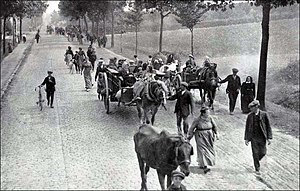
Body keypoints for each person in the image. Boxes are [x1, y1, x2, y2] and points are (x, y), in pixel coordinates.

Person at [187, 106, 219, 174]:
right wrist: (189, 136)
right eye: (207, 113)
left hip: (209, 136)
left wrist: (217, 133)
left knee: (209, 149)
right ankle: (204, 166)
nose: (208, 114)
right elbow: (192, 128)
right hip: (200, 136)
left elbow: (214, 126)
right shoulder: (197, 120)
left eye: (209, 112)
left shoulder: (210, 118)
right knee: (202, 150)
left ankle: (204, 163)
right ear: (203, 113)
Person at [244, 100, 272, 175]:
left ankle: (258, 160)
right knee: (255, 153)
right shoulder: (249, 116)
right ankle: (257, 168)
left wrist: (269, 137)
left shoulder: (264, 114)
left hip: (262, 137)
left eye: (252, 107)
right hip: (253, 137)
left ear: (256, 107)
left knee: (263, 152)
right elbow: (247, 128)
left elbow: (268, 126)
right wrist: (246, 138)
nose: (250, 109)